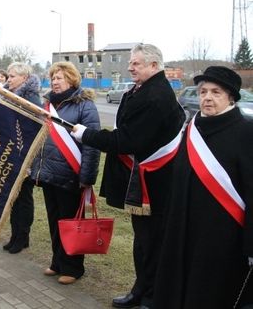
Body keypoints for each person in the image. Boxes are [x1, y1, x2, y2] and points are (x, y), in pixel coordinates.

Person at [71, 43, 185, 308]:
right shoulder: (142, 90)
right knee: (143, 240)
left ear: (154, 66)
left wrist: (86, 134)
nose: (130, 67)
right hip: (142, 180)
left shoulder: (156, 96)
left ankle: (151, 297)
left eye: (136, 63)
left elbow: (127, 140)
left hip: (155, 184)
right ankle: (140, 290)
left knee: (153, 242)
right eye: (131, 62)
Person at [152, 66, 253, 309]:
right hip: (184, 227)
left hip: (223, 235)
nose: (207, 97)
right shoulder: (192, 127)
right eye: (203, 91)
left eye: (216, 92)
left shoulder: (246, 131)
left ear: (231, 97)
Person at [31, 61, 100, 285]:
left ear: (71, 79)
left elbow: (92, 144)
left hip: (71, 173)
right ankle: (58, 262)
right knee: (54, 221)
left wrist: (87, 177)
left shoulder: (84, 105)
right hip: (49, 172)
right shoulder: (48, 104)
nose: (55, 81)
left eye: (59, 77)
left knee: (71, 222)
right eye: (53, 78)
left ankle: (74, 267)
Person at [2, 62, 42, 254]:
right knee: (14, 198)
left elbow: (32, 128)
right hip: (12, 152)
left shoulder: (31, 98)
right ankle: (14, 235)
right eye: (8, 76)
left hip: (25, 154)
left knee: (24, 198)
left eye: (12, 76)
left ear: (24, 78)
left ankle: (22, 237)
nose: (8, 79)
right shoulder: (9, 95)